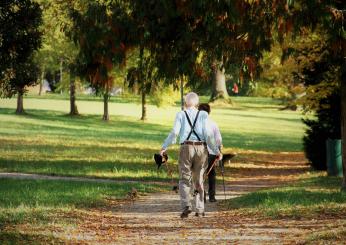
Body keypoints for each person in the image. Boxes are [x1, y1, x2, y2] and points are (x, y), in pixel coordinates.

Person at [160, 92, 222, 218]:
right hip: (201, 148)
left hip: (186, 148)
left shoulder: (181, 114)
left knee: (184, 178)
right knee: (199, 179)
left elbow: (174, 133)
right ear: (197, 104)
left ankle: (186, 206)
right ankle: (200, 209)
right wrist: (216, 151)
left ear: (185, 103)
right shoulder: (203, 115)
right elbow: (209, 135)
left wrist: (164, 147)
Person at [198, 103, 222, 202]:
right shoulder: (213, 123)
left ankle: (202, 196)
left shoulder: (196, 124)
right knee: (211, 173)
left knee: (200, 173)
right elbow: (218, 139)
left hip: (199, 151)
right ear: (209, 112)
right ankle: (212, 196)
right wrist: (219, 151)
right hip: (212, 152)